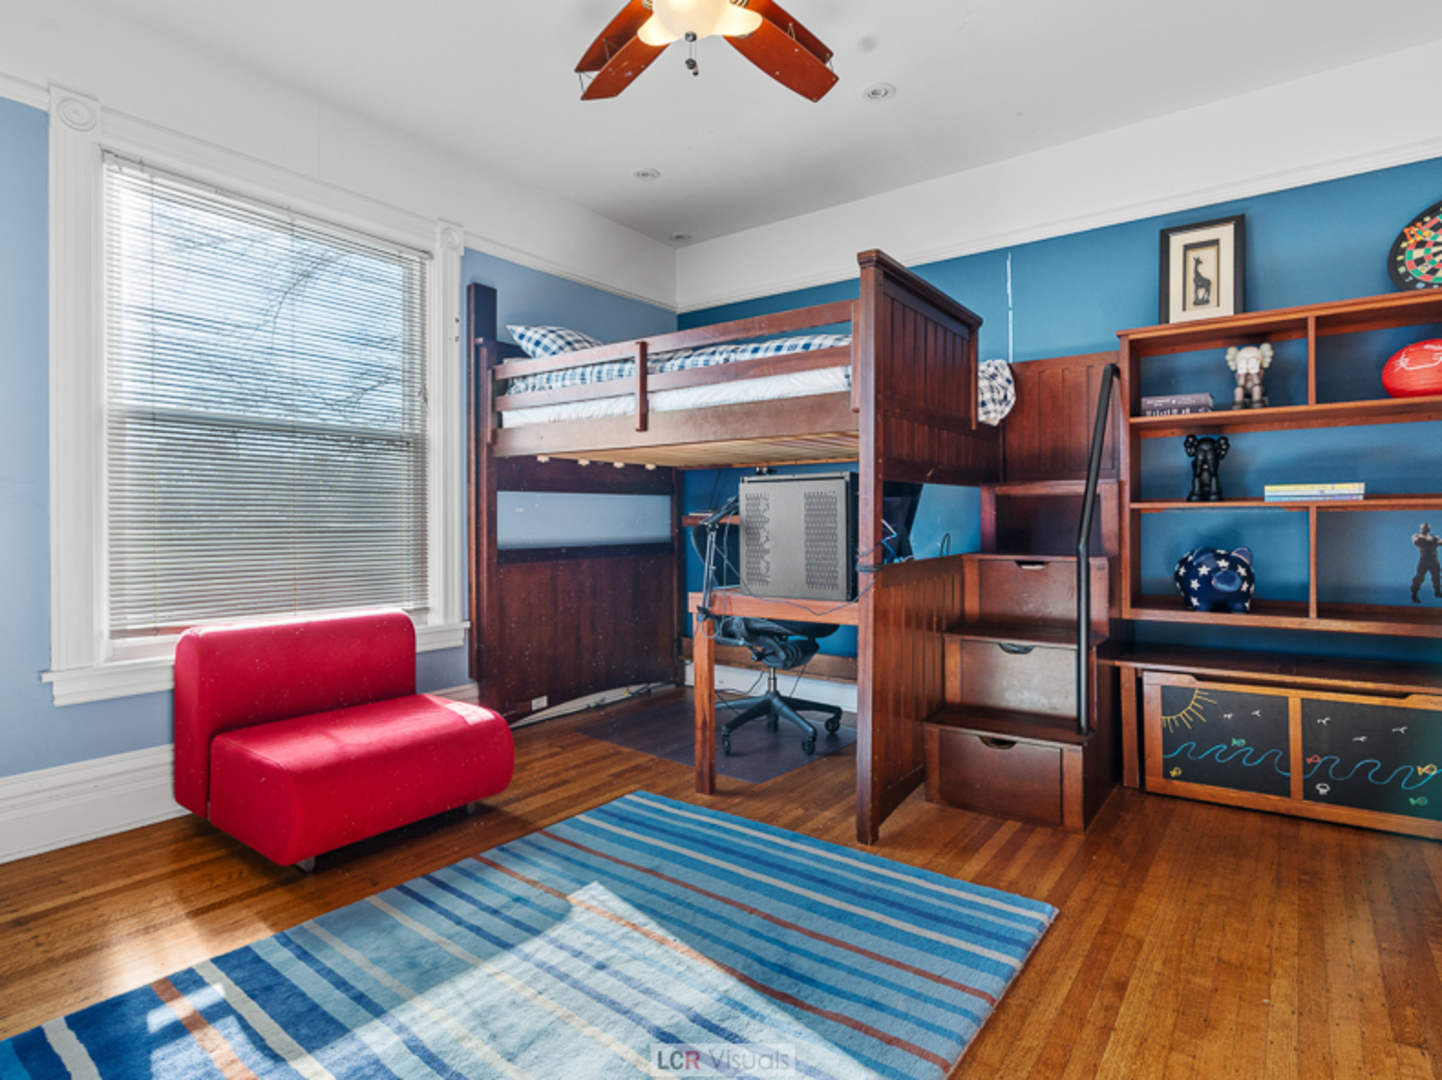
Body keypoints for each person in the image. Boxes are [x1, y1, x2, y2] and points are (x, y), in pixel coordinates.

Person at [1412, 523, 1441, 603]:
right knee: (1419, 577)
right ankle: (1414, 594)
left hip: (1433, 559)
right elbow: (1417, 541)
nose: (1425, 529)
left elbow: (1440, 542)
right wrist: (1431, 541)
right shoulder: (1417, 536)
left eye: (1427, 527)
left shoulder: (1433, 537)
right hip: (1424, 559)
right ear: (1421, 529)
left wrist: (1435, 541)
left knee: (1437, 577)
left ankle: (1438, 592)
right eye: (1424, 527)